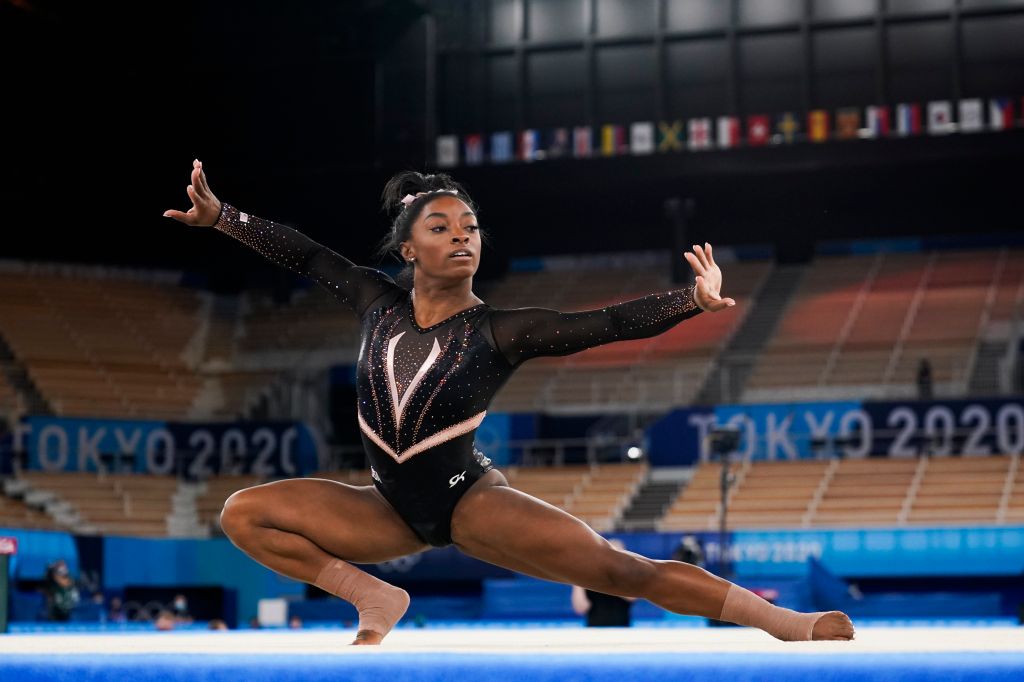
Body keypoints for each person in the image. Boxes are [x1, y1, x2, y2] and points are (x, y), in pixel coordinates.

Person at [165, 160, 854, 646]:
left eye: (469, 226)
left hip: (470, 502)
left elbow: (605, 324)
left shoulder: (500, 330)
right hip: (385, 508)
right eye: (441, 228)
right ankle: (372, 595)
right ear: (408, 248)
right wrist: (224, 217)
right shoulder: (375, 301)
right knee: (243, 513)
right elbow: (309, 256)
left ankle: (790, 626)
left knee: (622, 571)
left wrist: (691, 300)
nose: (461, 235)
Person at [571, 538, 635, 626]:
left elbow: (631, 597)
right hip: (595, 633)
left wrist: (613, 575)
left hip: (621, 632)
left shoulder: (627, 579)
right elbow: (580, 609)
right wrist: (578, 582)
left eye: (618, 554)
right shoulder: (589, 580)